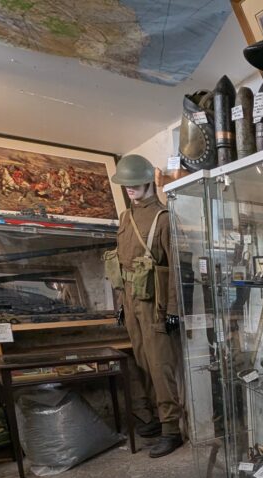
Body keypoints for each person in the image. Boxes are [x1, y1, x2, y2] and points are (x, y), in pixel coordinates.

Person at [110, 154, 184, 458]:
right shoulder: (125, 218)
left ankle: (171, 429)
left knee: (160, 366)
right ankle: (154, 416)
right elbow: (121, 264)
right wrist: (121, 303)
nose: (129, 188)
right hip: (131, 301)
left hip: (155, 305)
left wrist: (174, 311)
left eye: (134, 182)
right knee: (141, 363)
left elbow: (176, 269)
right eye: (125, 183)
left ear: (147, 182)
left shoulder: (163, 218)